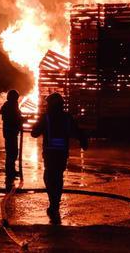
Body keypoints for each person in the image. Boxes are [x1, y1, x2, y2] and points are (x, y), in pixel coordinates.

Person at [31, 92, 88, 224]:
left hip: (50, 154)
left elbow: (34, 133)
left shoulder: (46, 118)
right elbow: (77, 131)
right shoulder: (67, 118)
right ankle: (55, 204)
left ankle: (53, 203)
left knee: (49, 178)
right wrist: (83, 141)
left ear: (52, 105)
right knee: (58, 178)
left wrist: (36, 123)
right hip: (61, 154)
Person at [0, 90, 23, 183]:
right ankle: (10, 172)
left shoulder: (10, 104)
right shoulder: (10, 105)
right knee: (12, 153)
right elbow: (15, 116)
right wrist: (20, 120)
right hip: (10, 133)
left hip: (11, 133)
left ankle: (11, 171)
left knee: (12, 153)